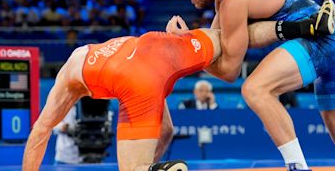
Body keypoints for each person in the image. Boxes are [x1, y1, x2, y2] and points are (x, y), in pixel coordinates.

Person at [164, 0, 335, 171]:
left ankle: (298, 167)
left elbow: (229, 71)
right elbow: (219, 42)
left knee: (255, 89)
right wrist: (192, 40)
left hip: (322, 42)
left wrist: (189, 47)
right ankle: (306, 27)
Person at [23, 27, 222, 171]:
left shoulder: (67, 81)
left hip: (128, 76)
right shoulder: (91, 51)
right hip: (150, 50)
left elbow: (40, 131)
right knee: (220, 38)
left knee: (130, 168)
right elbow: (166, 130)